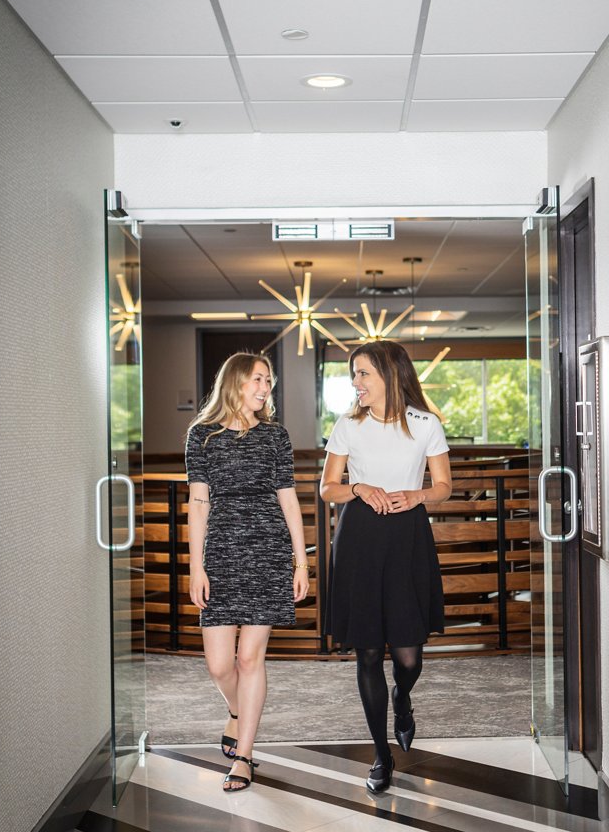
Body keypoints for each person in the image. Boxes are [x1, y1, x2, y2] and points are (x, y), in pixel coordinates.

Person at [320, 340, 452, 794]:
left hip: (408, 539)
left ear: (390, 375)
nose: (355, 383)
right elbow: (327, 489)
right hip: (359, 539)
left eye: (363, 374)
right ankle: (381, 752)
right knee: (369, 651)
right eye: (353, 374)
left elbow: (444, 486)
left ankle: (404, 696)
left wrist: (417, 495)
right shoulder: (348, 426)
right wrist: (357, 488)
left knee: (408, 655)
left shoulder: (426, 424)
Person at [185, 352, 309, 792]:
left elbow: (289, 501)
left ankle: (244, 756)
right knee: (220, 665)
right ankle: (238, 713)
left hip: (268, 553)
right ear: (236, 381)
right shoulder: (201, 437)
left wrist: (300, 560)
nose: (265, 389)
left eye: (269, 382)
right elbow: (198, 504)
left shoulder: (275, 437)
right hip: (220, 554)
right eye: (259, 380)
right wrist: (195, 565)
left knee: (248, 658)